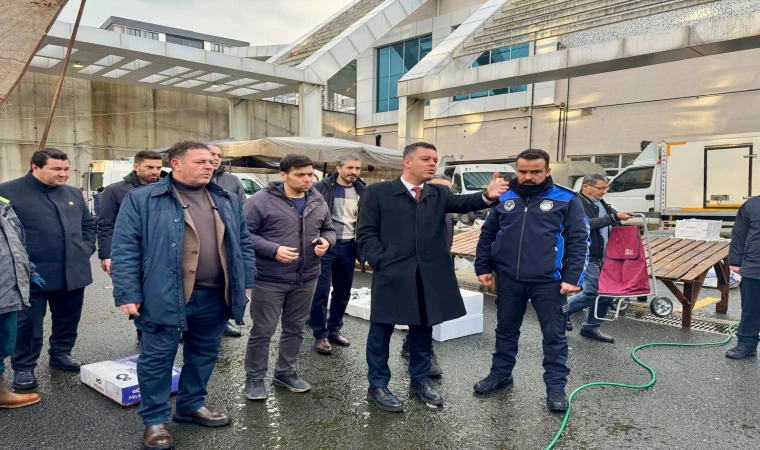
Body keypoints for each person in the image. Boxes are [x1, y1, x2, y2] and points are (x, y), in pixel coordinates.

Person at [111, 141, 256, 450]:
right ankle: (155, 420)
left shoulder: (226, 198)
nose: (209, 166)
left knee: (204, 354)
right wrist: (127, 292)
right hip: (162, 294)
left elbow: (242, 243)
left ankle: (191, 405)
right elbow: (124, 247)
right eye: (200, 161)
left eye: (211, 161)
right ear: (176, 164)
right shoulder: (143, 198)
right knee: (157, 360)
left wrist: (245, 281)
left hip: (215, 295)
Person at [357, 142, 507, 412]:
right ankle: (377, 384)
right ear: (407, 162)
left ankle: (419, 380)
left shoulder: (438, 192)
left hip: (428, 275)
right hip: (392, 273)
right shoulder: (378, 192)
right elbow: (366, 232)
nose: (432, 164)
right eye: (426, 158)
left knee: (423, 329)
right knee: (381, 329)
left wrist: (487, 195)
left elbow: (464, 202)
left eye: (435, 159)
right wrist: (381, 260)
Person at [473, 148, 589, 413]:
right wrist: (483, 266)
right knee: (505, 330)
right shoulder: (504, 197)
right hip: (509, 279)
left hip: (549, 282)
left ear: (547, 171)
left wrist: (573, 277)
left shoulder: (567, 199)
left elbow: (580, 240)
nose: (528, 176)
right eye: (522, 171)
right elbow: (488, 234)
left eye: (535, 171)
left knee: (554, 336)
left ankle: (556, 388)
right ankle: (500, 374)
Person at [0, 148, 96, 390]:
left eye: (66, 169)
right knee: (28, 326)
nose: (64, 174)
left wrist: (85, 248)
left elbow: (88, 225)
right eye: (57, 169)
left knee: (68, 318)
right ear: (35, 167)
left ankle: (61, 354)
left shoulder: (73, 193)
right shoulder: (7, 192)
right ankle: (24, 367)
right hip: (31, 274)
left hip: (73, 272)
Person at [243, 154, 336, 401]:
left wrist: (326, 242)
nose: (308, 179)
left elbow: (329, 229)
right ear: (283, 175)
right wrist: (273, 249)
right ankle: (254, 377)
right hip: (269, 278)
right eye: (300, 175)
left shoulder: (317, 199)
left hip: (307, 277)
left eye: (310, 174)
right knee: (263, 330)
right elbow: (244, 234)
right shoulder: (260, 201)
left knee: (295, 329)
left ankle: (285, 372)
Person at [97, 150, 165, 344]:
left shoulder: (167, 187)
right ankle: (144, 333)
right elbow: (106, 224)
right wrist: (106, 254)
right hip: (131, 251)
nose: (155, 171)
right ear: (136, 167)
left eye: (158, 167)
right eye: (149, 167)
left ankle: (163, 329)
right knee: (138, 291)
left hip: (159, 250)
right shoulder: (115, 191)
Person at [399, 174, 455, 377]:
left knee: (431, 311)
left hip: (438, 267)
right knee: (420, 311)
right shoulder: (416, 211)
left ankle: (410, 344)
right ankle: (422, 353)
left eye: (447, 190)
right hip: (416, 268)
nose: (442, 195)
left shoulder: (448, 212)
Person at [565, 173, 633, 343]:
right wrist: (614, 217)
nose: (604, 192)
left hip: (606, 255)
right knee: (592, 291)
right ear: (585, 187)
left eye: (606, 188)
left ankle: (591, 327)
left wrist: (619, 219)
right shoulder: (577, 203)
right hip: (586, 254)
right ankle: (561, 311)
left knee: (605, 292)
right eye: (601, 188)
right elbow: (585, 224)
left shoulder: (601, 203)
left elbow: (611, 221)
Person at [310, 154, 365, 355]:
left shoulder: (362, 190)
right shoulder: (322, 187)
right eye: (349, 167)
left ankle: (334, 329)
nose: (353, 172)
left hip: (349, 246)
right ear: (339, 168)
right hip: (326, 245)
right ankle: (320, 334)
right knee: (321, 292)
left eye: (357, 168)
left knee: (343, 291)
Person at [0, 196, 44, 408]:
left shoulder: (4, 205)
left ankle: (1, 392)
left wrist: (31, 272)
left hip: (7, 291)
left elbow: (18, 246)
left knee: (4, 341)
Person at [208, 144, 248, 338]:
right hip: (200, 237)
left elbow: (243, 209)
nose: (216, 158)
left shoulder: (232, 181)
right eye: (212, 154)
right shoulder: (192, 178)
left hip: (226, 238)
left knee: (223, 280)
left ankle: (223, 321)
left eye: (219, 155)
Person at [725, 196, 760, 359]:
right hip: (754, 266)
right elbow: (739, 234)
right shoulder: (751, 205)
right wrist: (735, 261)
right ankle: (746, 345)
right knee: (751, 309)